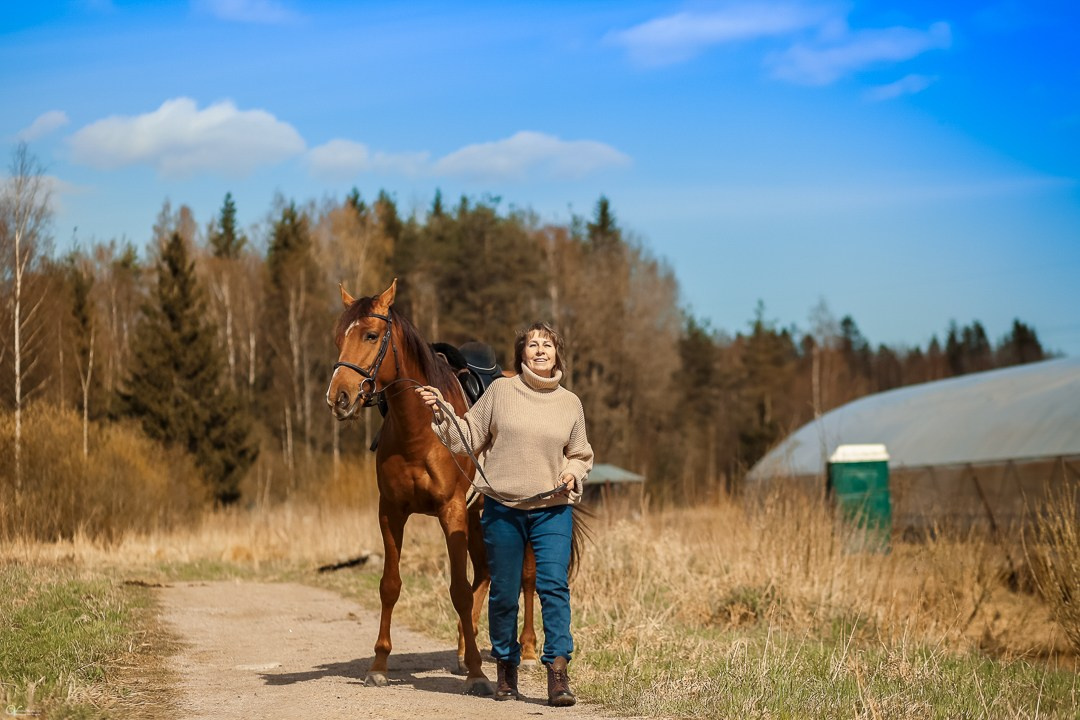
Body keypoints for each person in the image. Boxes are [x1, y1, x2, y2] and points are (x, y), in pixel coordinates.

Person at [415, 322, 593, 706]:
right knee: (504, 595)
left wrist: (572, 472)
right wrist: (442, 411)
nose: (540, 350)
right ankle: (506, 671)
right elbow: (468, 434)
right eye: (533, 344)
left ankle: (558, 674)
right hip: (503, 509)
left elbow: (581, 454)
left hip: (552, 509)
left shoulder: (570, 403)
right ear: (522, 353)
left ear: (557, 354)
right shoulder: (500, 391)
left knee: (553, 588)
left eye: (547, 345)